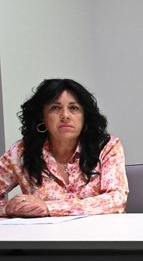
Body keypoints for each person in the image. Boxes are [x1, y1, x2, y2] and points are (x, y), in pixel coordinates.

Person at [0, 79, 127, 217]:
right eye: (55, 108)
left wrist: (49, 207)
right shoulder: (20, 152)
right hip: (44, 236)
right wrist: (8, 209)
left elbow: (117, 199)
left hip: (99, 235)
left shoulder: (107, 146)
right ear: (42, 117)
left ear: (84, 116)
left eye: (74, 108)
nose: (65, 116)